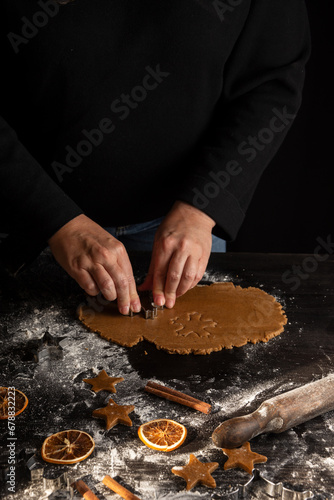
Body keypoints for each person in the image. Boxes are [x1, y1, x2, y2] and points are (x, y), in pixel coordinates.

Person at [0, 0, 310, 314]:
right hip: (26, 218)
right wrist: (52, 216)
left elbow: (272, 82)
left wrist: (203, 205)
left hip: (181, 227)